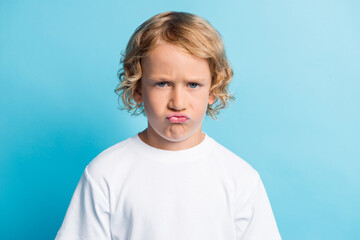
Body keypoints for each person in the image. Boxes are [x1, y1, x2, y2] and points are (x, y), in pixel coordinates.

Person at [55, 11, 281, 240]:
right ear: (138, 89)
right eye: (162, 84)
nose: (178, 103)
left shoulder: (240, 179)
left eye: (193, 84)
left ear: (213, 89)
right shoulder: (105, 174)